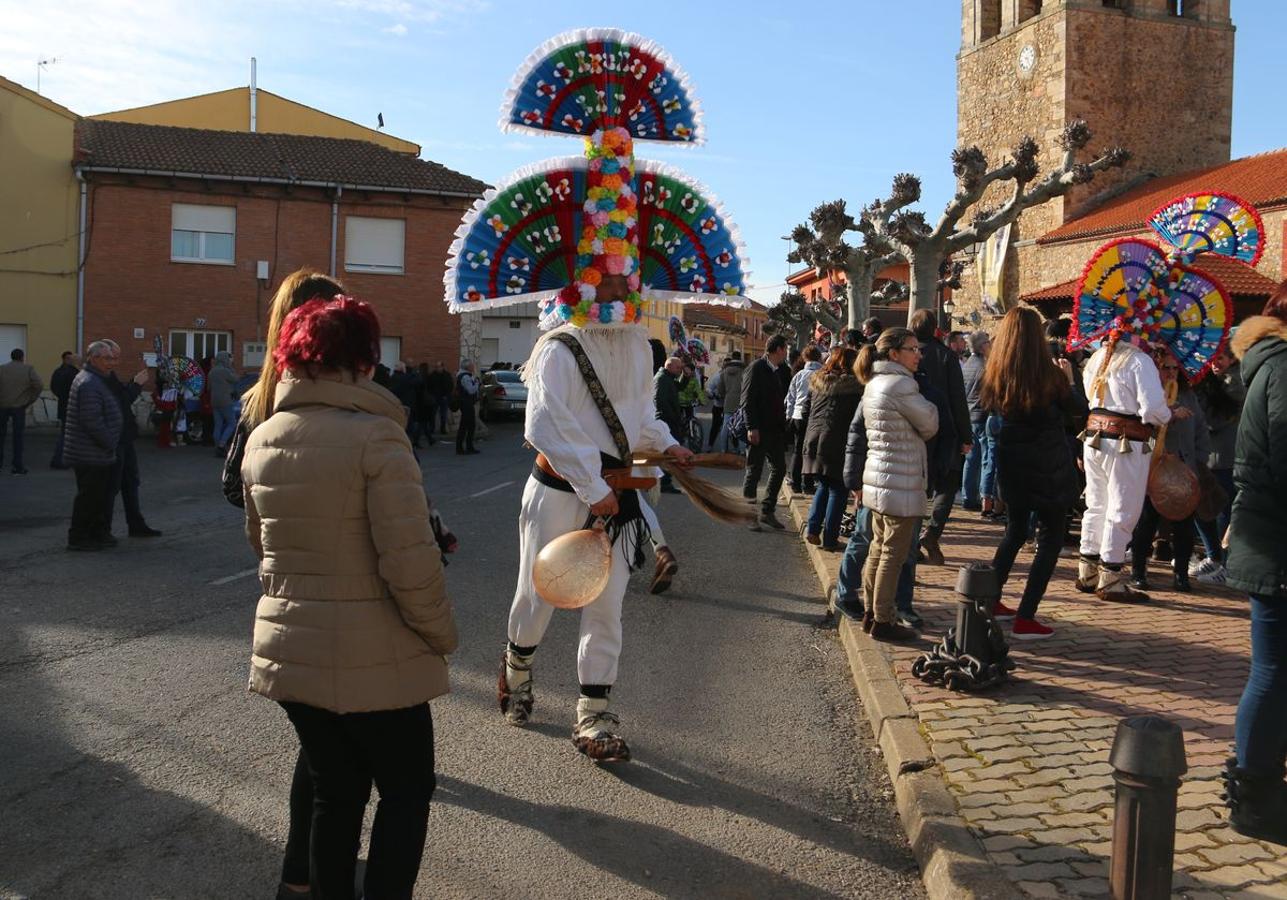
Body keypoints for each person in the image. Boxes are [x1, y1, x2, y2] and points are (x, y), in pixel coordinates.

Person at [242, 296, 457, 899]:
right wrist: (442, 635)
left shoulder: (263, 438)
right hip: (376, 654)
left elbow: (263, 548)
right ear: (363, 359)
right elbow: (410, 566)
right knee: (407, 792)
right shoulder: (378, 439)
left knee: (335, 794)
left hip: (292, 653)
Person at [498, 273, 694, 763]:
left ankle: (594, 713)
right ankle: (517, 671)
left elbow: (638, 419)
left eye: (626, 283)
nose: (619, 293)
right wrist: (592, 484)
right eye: (605, 283)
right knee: (538, 593)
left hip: (615, 496)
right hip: (560, 492)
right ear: (580, 285)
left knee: (607, 604)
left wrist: (667, 444)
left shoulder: (637, 348)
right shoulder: (557, 348)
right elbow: (544, 424)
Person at [1221, 292, 1287, 846]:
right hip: (1276, 541)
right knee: (1272, 671)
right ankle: (1254, 795)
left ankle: (1258, 780)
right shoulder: (1283, 370)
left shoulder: (1266, 366)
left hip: (1266, 534)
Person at [980, 308, 1086, 639]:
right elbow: (1078, 411)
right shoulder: (1050, 376)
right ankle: (1027, 615)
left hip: (1013, 466)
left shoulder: (996, 373)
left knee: (1014, 532)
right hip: (1048, 465)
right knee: (1050, 538)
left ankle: (990, 601)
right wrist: (1070, 380)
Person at [1074, 331, 1173, 602]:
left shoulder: (1096, 358)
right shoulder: (1139, 361)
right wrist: (1169, 413)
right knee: (1123, 506)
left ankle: (1088, 571)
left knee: (1097, 503)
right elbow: (1152, 408)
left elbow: (1087, 394)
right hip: (1125, 441)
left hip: (1094, 437)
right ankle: (1111, 577)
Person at [855, 328, 938, 641]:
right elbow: (929, 423)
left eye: (918, 348)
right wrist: (932, 407)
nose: (918, 354)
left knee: (879, 548)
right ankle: (884, 619)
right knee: (894, 553)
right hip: (900, 480)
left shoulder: (874, 383)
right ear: (893, 354)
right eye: (912, 349)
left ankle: (871, 612)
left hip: (880, 477)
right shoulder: (902, 384)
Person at [1130, 356, 1208, 593]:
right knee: (1146, 522)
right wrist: (1169, 415)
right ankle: (1138, 571)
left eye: (1176, 368)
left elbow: (1201, 431)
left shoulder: (1188, 396)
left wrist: (1198, 462)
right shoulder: (1148, 393)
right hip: (1153, 468)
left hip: (1183, 470)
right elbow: (1143, 424)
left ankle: (1181, 574)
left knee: (1184, 526)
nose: (1172, 373)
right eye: (1166, 368)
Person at [908, 310, 970, 567]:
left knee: (916, 489)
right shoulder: (946, 356)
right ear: (935, 329)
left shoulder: (906, 354)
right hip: (944, 431)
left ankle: (913, 543)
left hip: (913, 431)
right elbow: (958, 399)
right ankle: (931, 533)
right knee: (947, 485)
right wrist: (966, 436)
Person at [63, 341, 124, 550]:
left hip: (95, 451)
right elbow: (91, 420)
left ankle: (95, 533)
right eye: (108, 359)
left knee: (97, 497)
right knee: (88, 498)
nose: (112, 363)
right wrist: (109, 441)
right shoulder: (89, 382)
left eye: (114, 358)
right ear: (94, 358)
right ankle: (79, 537)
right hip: (90, 452)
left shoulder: (96, 379)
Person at [1191, 344, 1244, 584]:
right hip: (1212, 455)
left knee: (1219, 509)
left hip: (1226, 455)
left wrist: (1201, 392)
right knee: (1204, 506)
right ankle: (1214, 556)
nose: (1214, 363)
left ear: (1232, 359)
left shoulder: (1235, 382)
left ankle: (1221, 559)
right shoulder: (1217, 380)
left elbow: (1214, 419)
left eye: (1220, 358)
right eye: (1211, 359)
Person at [801, 346, 861, 550]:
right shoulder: (854, 388)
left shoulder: (818, 382)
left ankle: (812, 529)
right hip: (835, 441)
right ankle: (829, 539)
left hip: (813, 439)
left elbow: (806, 410)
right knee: (838, 489)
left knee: (823, 485)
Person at [103, 341, 163, 538]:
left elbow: (120, 397)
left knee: (130, 482)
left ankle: (136, 524)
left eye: (116, 358)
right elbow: (120, 402)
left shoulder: (107, 377)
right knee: (112, 485)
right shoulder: (100, 378)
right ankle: (104, 529)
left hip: (124, 437)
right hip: (116, 438)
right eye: (112, 357)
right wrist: (136, 385)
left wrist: (132, 384)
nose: (115, 362)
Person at [742, 335, 791, 531]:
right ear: (778, 349)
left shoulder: (783, 371)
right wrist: (751, 426)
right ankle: (749, 515)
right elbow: (747, 400)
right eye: (785, 348)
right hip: (759, 429)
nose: (786, 352)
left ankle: (767, 511)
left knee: (779, 468)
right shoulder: (756, 368)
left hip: (776, 430)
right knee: (754, 471)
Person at [786, 344, 823, 494]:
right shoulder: (822, 374)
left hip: (797, 415)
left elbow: (790, 397)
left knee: (797, 449)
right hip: (814, 417)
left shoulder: (798, 375)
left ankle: (795, 482)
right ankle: (808, 484)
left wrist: (789, 415)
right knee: (811, 452)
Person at [961, 331, 991, 511]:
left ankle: (967, 496)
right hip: (981, 414)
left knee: (971, 459)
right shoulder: (984, 367)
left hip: (969, 414)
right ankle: (982, 497)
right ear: (982, 346)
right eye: (988, 342)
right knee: (985, 458)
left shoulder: (966, 365)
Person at [0, 348, 43, 475]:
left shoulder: (2, 369)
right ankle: (17, 466)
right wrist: (30, 399)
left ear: (11, 357)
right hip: (19, 406)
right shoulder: (28, 369)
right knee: (18, 437)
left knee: (0, 435)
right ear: (22, 357)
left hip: (2, 406)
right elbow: (39, 385)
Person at [50, 351, 79, 469]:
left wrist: (61, 397)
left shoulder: (57, 372)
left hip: (63, 406)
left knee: (65, 434)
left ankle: (61, 460)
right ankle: (60, 460)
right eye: (70, 358)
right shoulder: (74, 373)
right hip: (73, 407)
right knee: (68, 435)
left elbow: (53, 387)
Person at [208, 351, 239, 453]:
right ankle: (222, 444)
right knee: (232, 423)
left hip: (214, 401)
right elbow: (236, 379)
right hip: (226, 401)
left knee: (218, 424)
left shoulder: (212, 372)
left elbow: (208, 388)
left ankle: (217, 446)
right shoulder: (225, 371)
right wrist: (231, 367)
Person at [454, 360, 480, 454]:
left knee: (467, 426)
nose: (473, 367)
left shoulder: (464, 375)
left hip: (465, 403)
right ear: (468, 367)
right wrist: (477, 383)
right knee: (467, 426)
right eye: (472, 366)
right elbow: (471, 390)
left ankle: (466, 447)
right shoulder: (465, 376)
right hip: (466, 403)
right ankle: (463, 447)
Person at [427, 360, 454, 436]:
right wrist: (431, 395)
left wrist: (447, 395)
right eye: (436, 367)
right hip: (435, 397)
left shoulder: (447, 375)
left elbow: (450, 386)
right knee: (433, 414)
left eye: (438, 367)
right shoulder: (432, 376)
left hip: (444, 397)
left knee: (443, 414)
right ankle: (432, 428)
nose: (437, 368)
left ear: (442, 367)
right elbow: (428, 386)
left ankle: (443, 429)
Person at [414, 362, 438, 447]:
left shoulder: (418, 378)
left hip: (420, 403)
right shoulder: (429, 378)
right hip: (426, 403)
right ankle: (418, 440)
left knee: (422, 423)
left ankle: (429, 439)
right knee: (423, 423)